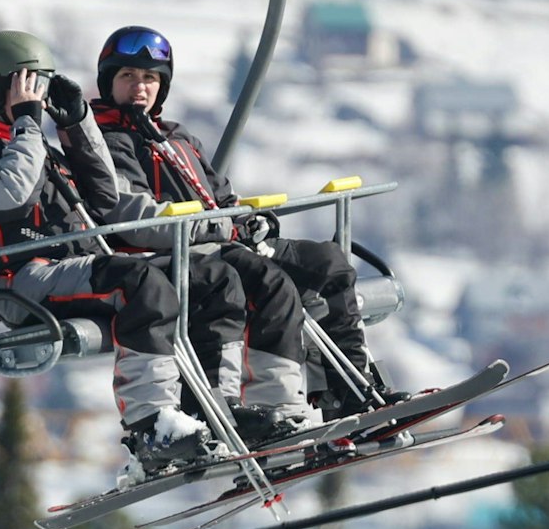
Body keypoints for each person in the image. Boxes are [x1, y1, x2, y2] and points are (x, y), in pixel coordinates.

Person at [0, 30, 241, 477]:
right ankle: (152, 426)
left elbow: (101, 193)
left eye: (41, 86)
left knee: (210, 276)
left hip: (71, 267)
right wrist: (27, 123)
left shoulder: (31, 144)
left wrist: (77, 121)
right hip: (24, 282)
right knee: (140, 285)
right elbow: (10, 196)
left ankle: (216, 407)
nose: (37, 96)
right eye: (29, 85)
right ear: (2, 88)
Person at [90, 25, 406, 420]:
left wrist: (246, 218)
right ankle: (271, 405)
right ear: (109, 82)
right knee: (267, 283)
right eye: (128, 76)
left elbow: (219, 194)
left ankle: (348, 389)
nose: (140, 87)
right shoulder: (103, 141)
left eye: (150, 78)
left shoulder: (175, 137)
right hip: (175, 250)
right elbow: (132, 216)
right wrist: (216, 226)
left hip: (219, 238)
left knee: (327, 264)